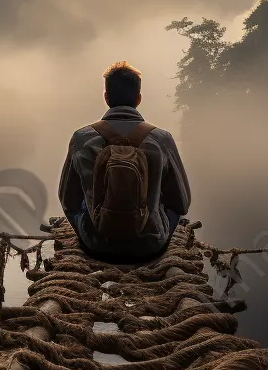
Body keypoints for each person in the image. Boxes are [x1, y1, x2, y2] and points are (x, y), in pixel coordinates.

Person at [58, 61, 191, 264]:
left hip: (96, 246)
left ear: (106, 97)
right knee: (166, 202)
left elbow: (68, 200)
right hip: (150, 247)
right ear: (139, 98)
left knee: (83, 201)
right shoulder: (161, 138)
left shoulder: (81, 138)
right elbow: (181, 202)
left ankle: (99, 232)